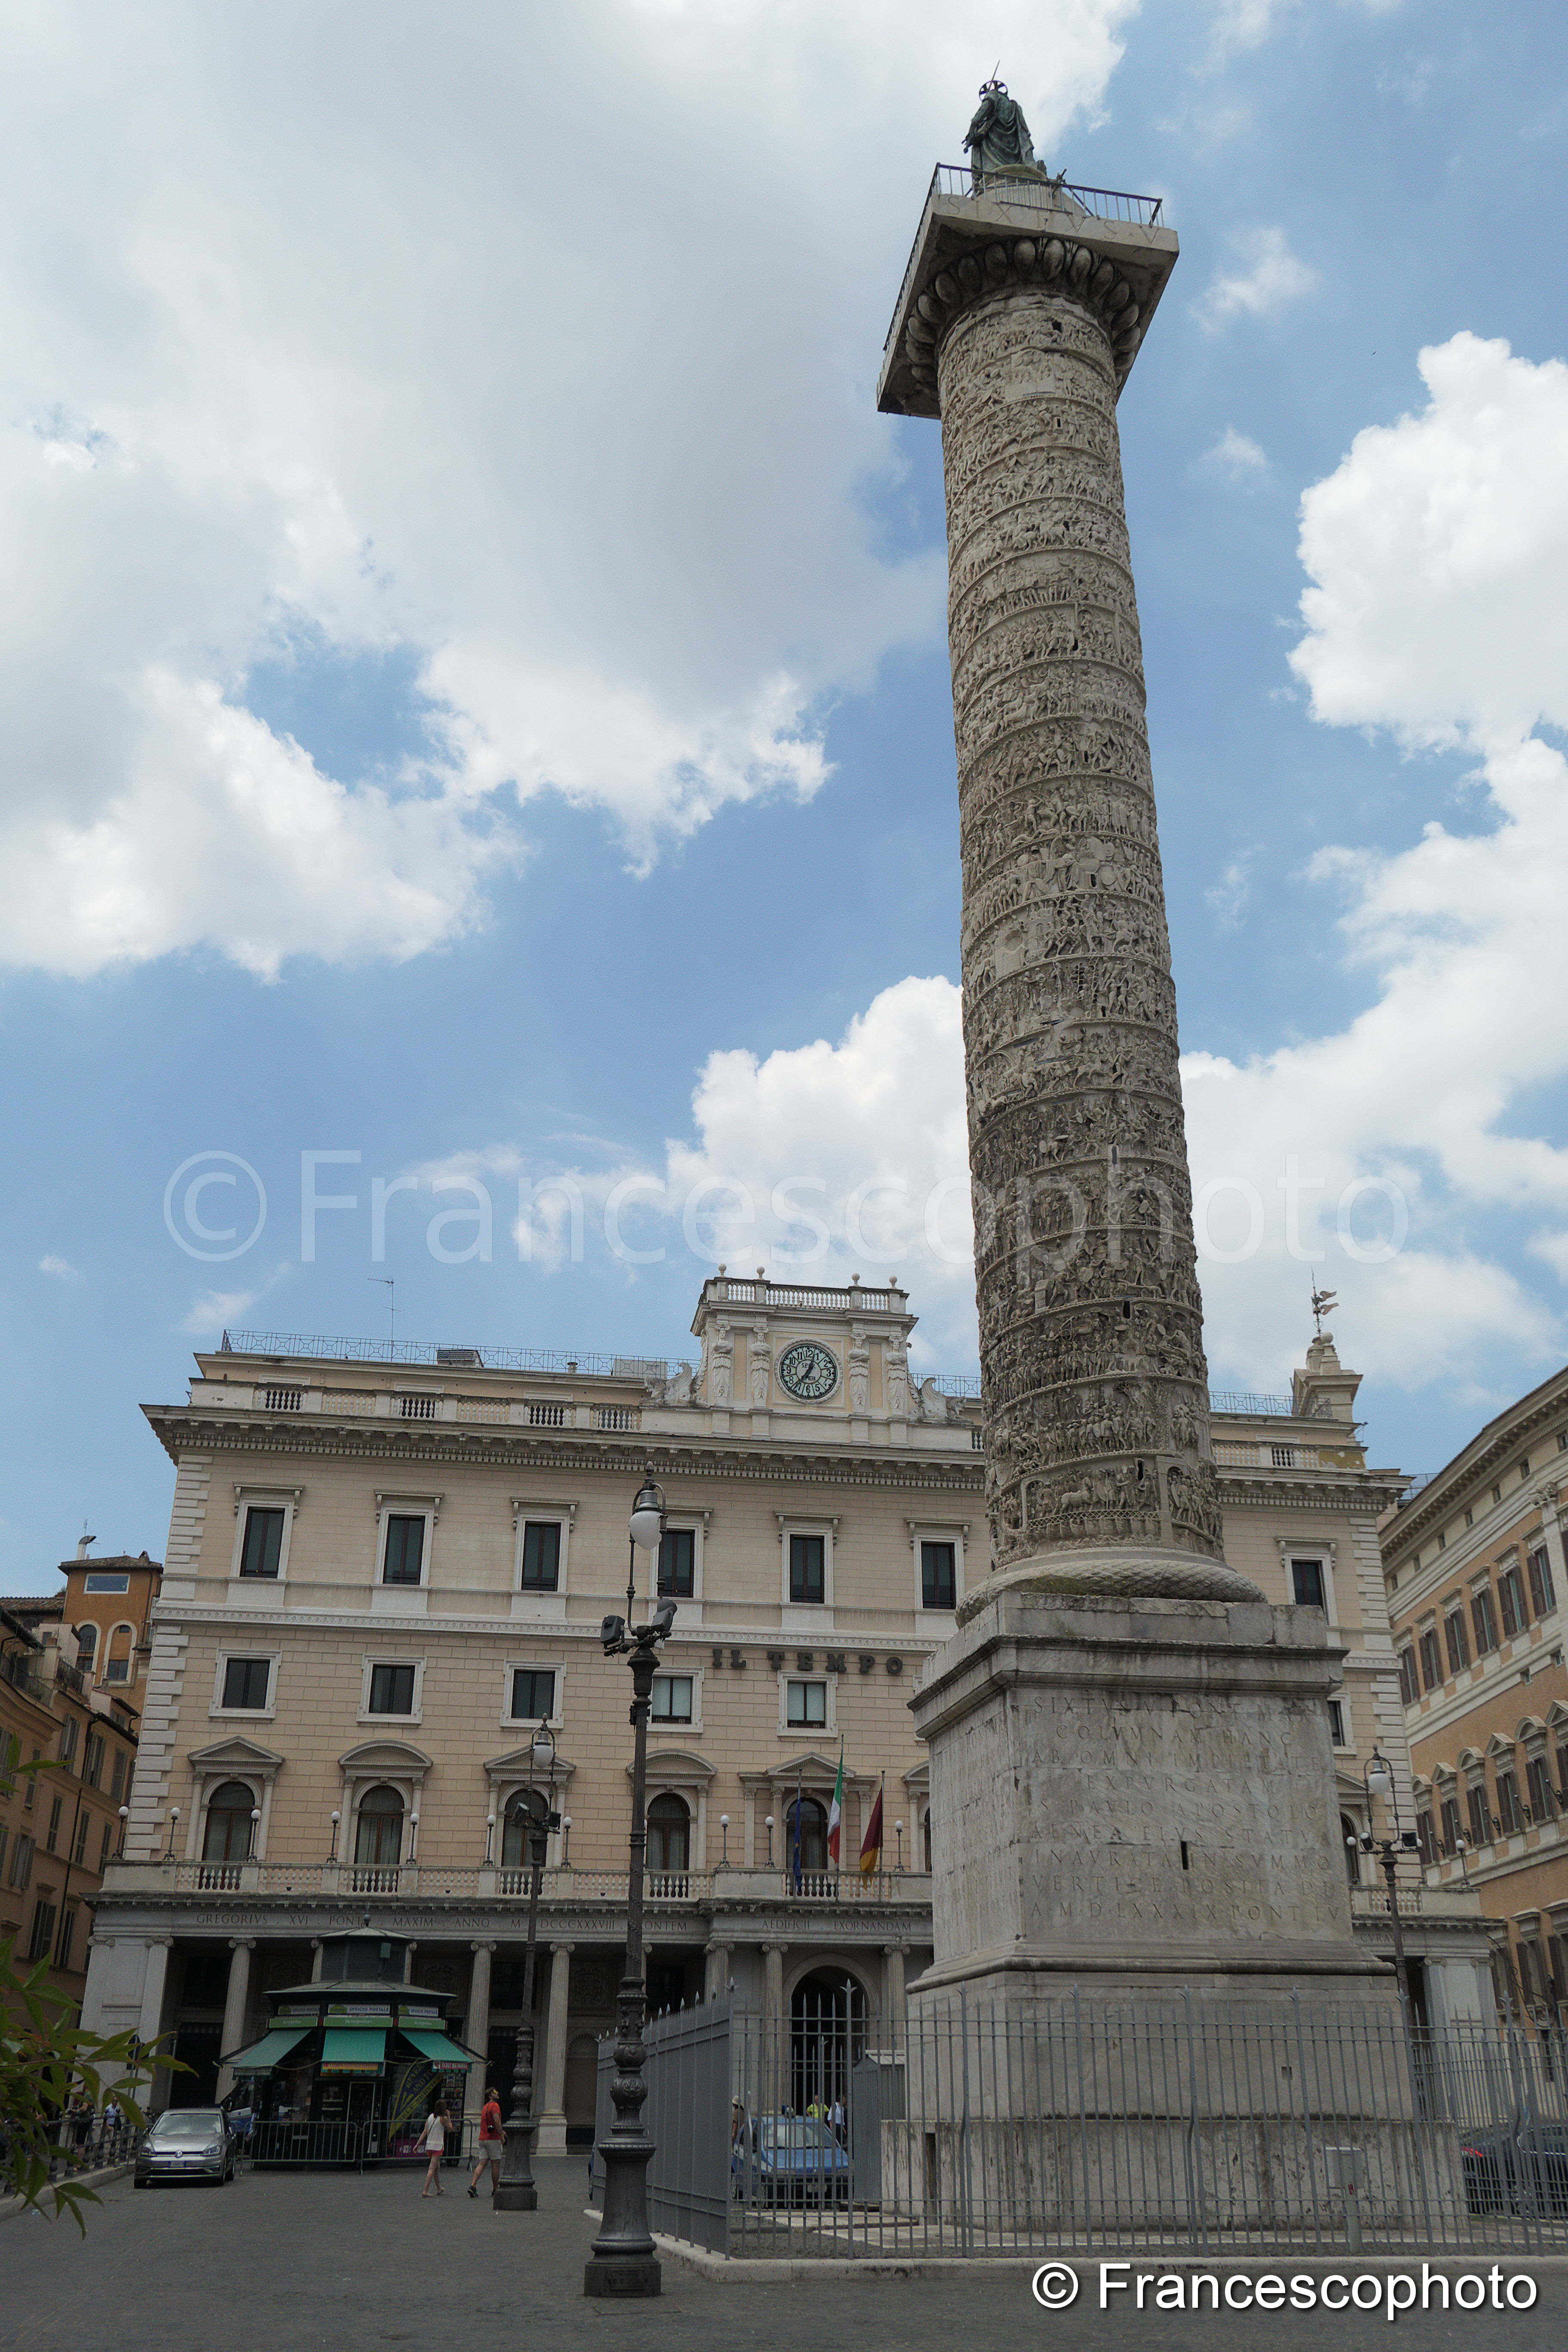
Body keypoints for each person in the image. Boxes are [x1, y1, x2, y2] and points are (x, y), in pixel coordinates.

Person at [468, 2085, 503, 2199]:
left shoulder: (485, 2107)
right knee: (495, 2164)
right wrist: (502, 2135)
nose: (497, 2094)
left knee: (482, 2164)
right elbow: (497, 2121)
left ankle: (473, 2185)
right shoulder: (495, 2106)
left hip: (483, 2139)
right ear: (490, 2096)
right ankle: (495, 2189)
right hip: (493, 2139)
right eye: (495, 2093)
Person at [419, 2095, 451, 2198]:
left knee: (436, 2167)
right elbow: (451, 2129)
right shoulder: (444, 2119)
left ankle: (439, 2188)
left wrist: (417, 2145)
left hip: (429, 2145)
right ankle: (425, 2191)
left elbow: (425, 2132)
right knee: (432, 2168)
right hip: (437, 2146)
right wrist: (449, 2117)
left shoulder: (430, 2117)